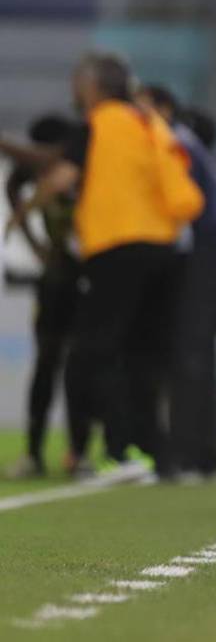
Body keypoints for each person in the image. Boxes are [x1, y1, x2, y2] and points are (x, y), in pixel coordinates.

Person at [0, 53, 204, 477]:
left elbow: (58, 176)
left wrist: (20, 215)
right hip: (165, 249)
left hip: (118, 247)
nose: (74, 89)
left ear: (94, 86)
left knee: (90, 352)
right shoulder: (147, 122)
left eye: (78, 80)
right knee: (143, 355)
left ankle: (118, 451)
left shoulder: (97, 124)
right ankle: (157, 457)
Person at [142, 87, 216, 479]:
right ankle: (204, 454)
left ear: (163, 108)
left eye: (143, 105)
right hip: (211, 256)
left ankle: (186, 455)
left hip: (199, 256)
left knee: (188, 357)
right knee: (198, 356)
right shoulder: (188, 143)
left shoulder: (173, 143)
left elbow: (181, 207)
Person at [4, 115, 90, 478]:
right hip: (55, 278)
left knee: (80, 367)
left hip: (89, 276)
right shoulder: (26, 176)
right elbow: (14, 198)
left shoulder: (84, 171)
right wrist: (38, 246)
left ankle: (79, 452)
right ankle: (33, 453)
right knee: (46, 364)